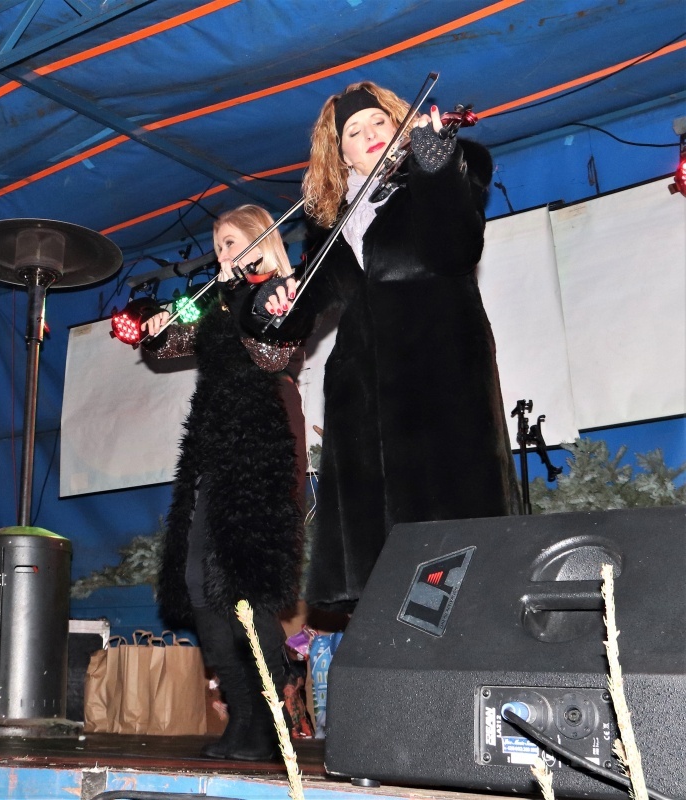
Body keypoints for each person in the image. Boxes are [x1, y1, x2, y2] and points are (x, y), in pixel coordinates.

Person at [248, 81, 518, 615]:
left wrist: (435, 165)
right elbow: (304, 307)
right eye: (354, 131)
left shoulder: (441, 169)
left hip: (440, 371)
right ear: (341, 153)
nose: (370, 133)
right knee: (382, 566)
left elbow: (456, 248)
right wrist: (271, 303)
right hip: (364, 392)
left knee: (453, 542)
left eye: (378, 121)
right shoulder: (331, 223)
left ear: (398, 124)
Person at [145, 205, 306, 761]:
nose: (223, 254)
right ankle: (243, 717)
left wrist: (255, 295)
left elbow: (271, 353)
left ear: (261, 240)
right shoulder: (214, 302)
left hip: (261, 444)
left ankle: (269, 717)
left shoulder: (282, 294)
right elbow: (168, 345)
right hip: (212, 445)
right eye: (218, 246)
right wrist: (158, 328)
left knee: (244, 585)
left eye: (232, 242)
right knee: (197, 580)